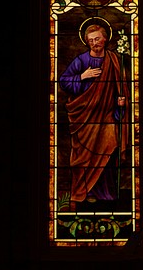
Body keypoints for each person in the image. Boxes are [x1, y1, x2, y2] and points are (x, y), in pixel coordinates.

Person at [59, 23, 129, 209]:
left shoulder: (114, 60)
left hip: (107, 115)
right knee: (84, 156)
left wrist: (121, 105)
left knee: (108, 146)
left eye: (97, 39)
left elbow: (121, 87)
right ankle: (85, 192)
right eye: (90, 40)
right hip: (85, 118)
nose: (94, 43)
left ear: (105, 39)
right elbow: (64, 81)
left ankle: (107, 193)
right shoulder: (81, 61)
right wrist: (83, 76)